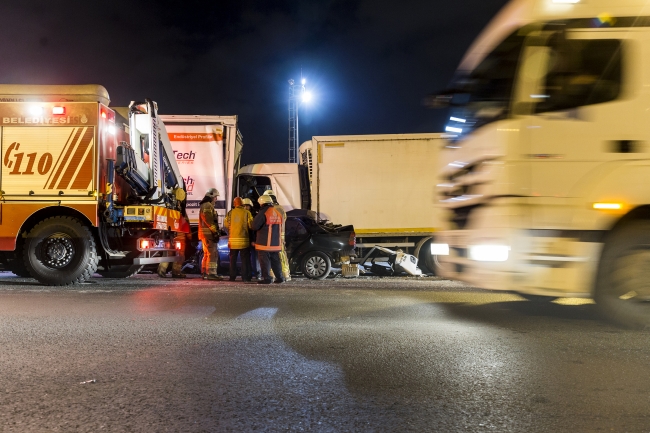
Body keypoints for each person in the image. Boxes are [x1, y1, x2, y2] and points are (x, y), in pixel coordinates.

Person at [252, 195, 284, 284]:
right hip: (275, 243)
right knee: (275, 261)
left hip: (264, 243)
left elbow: (254, 226)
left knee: (264, 261)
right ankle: (280, 277)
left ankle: (267, 278)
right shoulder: (277, 212)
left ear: (261, 203)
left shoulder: (263, 212)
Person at [262, 189, 291, 281]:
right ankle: (286, 274)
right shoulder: (281, 209)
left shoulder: (270, 210)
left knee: (271, 256)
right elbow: (284, 220)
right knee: (282, 255)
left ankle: (272, 275)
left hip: (273, 236)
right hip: (281, 236)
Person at [224, 197, 253, 281]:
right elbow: (251, 225)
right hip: (244, 241)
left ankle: (232, 277)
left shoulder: (230, 213)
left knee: (232, 260)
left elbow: (226, 224)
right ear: (242, 204)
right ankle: (245, 277)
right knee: (245, 260)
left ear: (234, 204)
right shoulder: (247, 213)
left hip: (233, 242)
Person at [198, 188, 222, 280]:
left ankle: (204, 272)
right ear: (212, 196)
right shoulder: (207, 206)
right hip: (209, 235)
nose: (216, 199)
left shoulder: (205, 205)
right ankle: (211, 273)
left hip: (204, 235)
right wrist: (215, 232)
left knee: (207, 254)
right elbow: (209, 220)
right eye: (215, 197)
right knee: (213, 254)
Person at [242, 198, 261, 280]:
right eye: (244, 206)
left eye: (247, 206)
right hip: (244, 239)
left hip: (252, 239)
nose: (246, 207)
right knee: (247, 259)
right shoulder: (242, 214)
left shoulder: (254, 215)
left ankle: (257, 274)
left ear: (250, 206)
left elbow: (253, 229)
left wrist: (253, 240)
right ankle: (248, 274)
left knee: (255, 258)